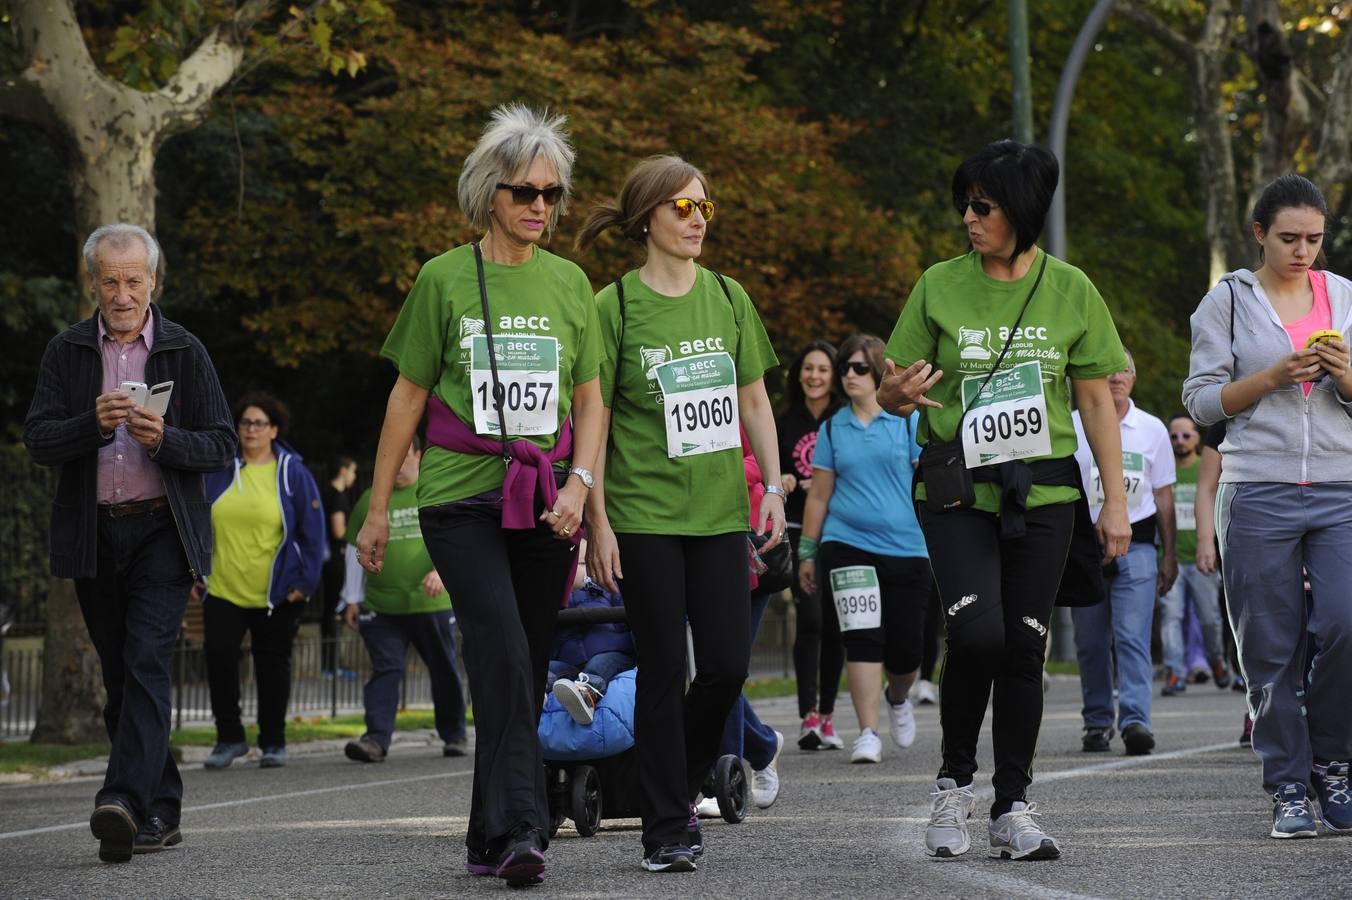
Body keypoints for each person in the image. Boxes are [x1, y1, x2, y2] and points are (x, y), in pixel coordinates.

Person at [356, 104, 603, 888]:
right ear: (488, 194)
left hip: (546, 503)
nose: (540, 206)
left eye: (552, 194)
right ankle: (527, 827)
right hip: (460, 498)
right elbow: (406, 396)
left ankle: (483, 833)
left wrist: (581, 485)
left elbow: (591, 402)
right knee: (500, 650)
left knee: (521, 662)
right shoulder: (443, 279)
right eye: (525, 191)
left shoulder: (571, 283)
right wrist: (371, 508)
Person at [879, 139, 1131, 861]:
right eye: (964, 203)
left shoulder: (1072, 289)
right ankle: (952, 785)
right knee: (979, 635)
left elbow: (1094, 401)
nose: (968, 217)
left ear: (1020, 211)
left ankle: (1012, 805)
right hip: (958, 490)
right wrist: (895, 395)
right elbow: (899, 385)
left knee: (1024, 645)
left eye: (982, 205)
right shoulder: (939, 284)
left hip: (1046, 492)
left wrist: (1114, 501)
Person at [575, 154, 785, 873]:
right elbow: (592, 423)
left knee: (725, 667)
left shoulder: (729, 296)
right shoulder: (615, 306)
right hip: (644, 517)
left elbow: (754, 400)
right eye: (683, 208)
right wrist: (596, 520)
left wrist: (778, 489)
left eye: (705, 208)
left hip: (722, 514)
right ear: (647, 219)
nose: (698, 220)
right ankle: (667, 827)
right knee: (662, 668)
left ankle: (673, 777)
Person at [23, 224, 236, 863]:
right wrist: (89, 424)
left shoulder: (185, 350)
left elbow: (221, 443)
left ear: (154, 282)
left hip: (162, 533)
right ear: (92, 283)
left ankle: (119, 798)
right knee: (122, 678)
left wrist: (163, 439)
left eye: (133, 280)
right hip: (94, 534)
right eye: (110, 280)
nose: (121, 293)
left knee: (145, 663)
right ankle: (161, 808)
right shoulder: (66, 353)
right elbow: (37, 440)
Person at [1183, 173, 1352, 839]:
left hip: (1341, 487)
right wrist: (1273, 376)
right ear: (1259, 234)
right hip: (1255, 488)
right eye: (1288, 238)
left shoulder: (1343, 297)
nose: (1302, 251)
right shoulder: (1225, 302)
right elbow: (1200, 403)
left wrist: (1343, 376)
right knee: (1269, 647)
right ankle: (1287, 784)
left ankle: (1335, 762)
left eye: (1313, 239)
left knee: (1344, 624)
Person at [798, 334, 930, 765]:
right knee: (861, 638)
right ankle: (868, 732)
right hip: (847, 544)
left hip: (908, 547)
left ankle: (898, 696)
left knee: (906, 649)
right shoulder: (833, 426)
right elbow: (818, 495)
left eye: (859, 368)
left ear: (878, 373)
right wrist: (807, 551)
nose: (849, 375)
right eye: (845, 368)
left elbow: (924, 484)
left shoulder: (908, 422)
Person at [201, 391, 327, 770]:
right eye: (244, 423)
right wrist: (196, 570)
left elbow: (313, 533)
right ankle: (229, 738)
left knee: (272, 666)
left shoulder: (292, 473)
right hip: (222, 587)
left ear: (273, 430)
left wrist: (305, 583)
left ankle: (273, 741)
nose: (250, 430)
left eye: (258, 423)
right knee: (220, 659)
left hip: (278, 592)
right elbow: (197, 522)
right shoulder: (220, 468)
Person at [1071, 349, 1176, 756]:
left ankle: (1135, 721)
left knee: (1132, 636)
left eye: (1124, 370)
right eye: (1107, 369)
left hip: (1139, 542)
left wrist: (1169, 555)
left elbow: (1164, 496)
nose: (1115, 377)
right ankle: (1097, 722)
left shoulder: (1151, 428)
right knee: (1090, 640)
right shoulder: (1073, 425)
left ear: (1134, 378)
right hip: (1084, 546)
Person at [340, 438, 468, 762]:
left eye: (403, 457)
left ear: (418, 456)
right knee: (386, 668)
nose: (395, 467)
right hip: (382, 606)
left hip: (432, 605)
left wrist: (444, 572)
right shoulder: (371, 501)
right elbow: (353, 550)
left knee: (443, 668)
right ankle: (375, 739)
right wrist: (352, 599)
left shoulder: (436, 493)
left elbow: (462, 540)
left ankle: (454, 734)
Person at [776, 340, 846, 750]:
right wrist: (783, 478)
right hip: (799, 528)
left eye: (823, 369)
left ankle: (829, 716)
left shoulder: (844, 419)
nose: (815, 376)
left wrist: (820, 480)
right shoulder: (784, 420)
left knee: (835, 625)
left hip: (840, 530)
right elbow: (770, 465)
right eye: (808, 369)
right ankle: (808, 716)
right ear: (798, 374)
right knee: (812, 618)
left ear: (833, 376)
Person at [1159, 414, 1229, 696]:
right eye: (1174, 436)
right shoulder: (1164, 472)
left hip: (1202, 560)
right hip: (1172, 558)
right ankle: (1175, 673)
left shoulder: (1206, 468)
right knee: (1170, 618)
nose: (1180, 441)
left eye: (1186, 435)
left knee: (1210, 618)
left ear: (1197, 437)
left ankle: (1217, 661)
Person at [547, 556, 635, 727]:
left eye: (581, 564)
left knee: (600, 663)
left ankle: (587, 694)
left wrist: (593, 587)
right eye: (570, 565)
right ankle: (539, 694)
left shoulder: (611, 586)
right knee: (550, 668)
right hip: (570, 661)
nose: (576, 570)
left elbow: (630, 614)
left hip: (612, 652)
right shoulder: (557, 595)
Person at [320, 455, 358, 679]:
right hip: (337, 559)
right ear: (343, 471)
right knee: (334, 609)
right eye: (352, 471)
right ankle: (331, 666)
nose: (354, 476)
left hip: (331, 560)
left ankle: (331, 664)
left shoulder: (328, 494)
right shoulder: (337, 496)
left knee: (331, 609)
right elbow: (338, 530)